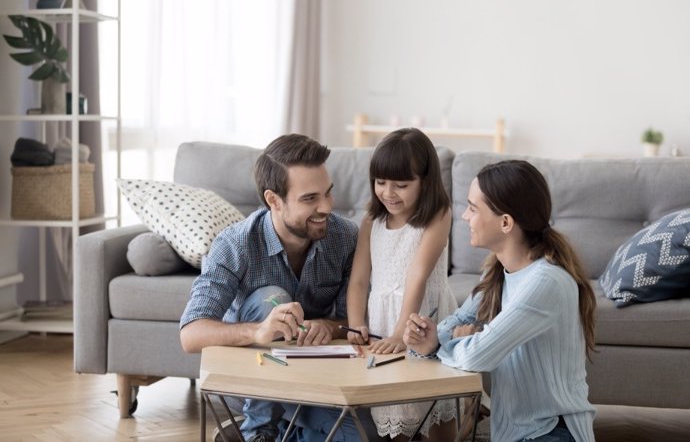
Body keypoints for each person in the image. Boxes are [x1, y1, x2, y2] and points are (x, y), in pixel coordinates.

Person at [179, 134, 378, 442]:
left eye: (328, 193)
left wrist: (328, 326)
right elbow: (190, 334)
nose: (326, 206)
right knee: (272, 299)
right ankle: (259, 433)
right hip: (253, 382)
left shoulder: (345, 237)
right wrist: (257, 332)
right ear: (273, 200)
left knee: (364, 434)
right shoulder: (235, 244)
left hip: (315, 379)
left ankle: (285, 430)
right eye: (310, 199)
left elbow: (352, 323)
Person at [403, 159, 597, 442]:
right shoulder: (499, 273)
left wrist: (439, 343)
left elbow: (476, 355)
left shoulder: (545, 282)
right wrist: (433, 337)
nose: (465, 217)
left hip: (552, 431)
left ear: (505, 222)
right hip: (513, 433)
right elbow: (453, 323)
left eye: (473, 208)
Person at [345, 128, 458, 441]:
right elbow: (358, 280)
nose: (389, 192)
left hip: (422, 317)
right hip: (384, 318)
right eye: (381, 182)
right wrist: (356, 325)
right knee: (397, 409)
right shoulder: (372, 220)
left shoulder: (438, 213)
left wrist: (400, 332)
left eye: (402, 185)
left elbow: (417, 273)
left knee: (437, 405)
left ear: (426, 181)